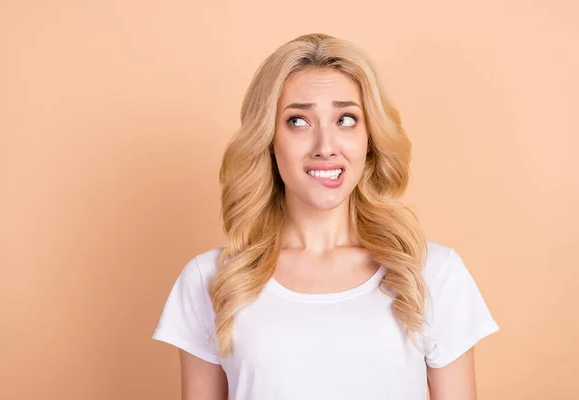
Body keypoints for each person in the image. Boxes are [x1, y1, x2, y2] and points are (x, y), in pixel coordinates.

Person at [152, 33, 499, 400]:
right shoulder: (212, 281)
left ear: (370, 139)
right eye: (298, 121)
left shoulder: (432, 274)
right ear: (269, 139)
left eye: (346, 119)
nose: (325, 147)